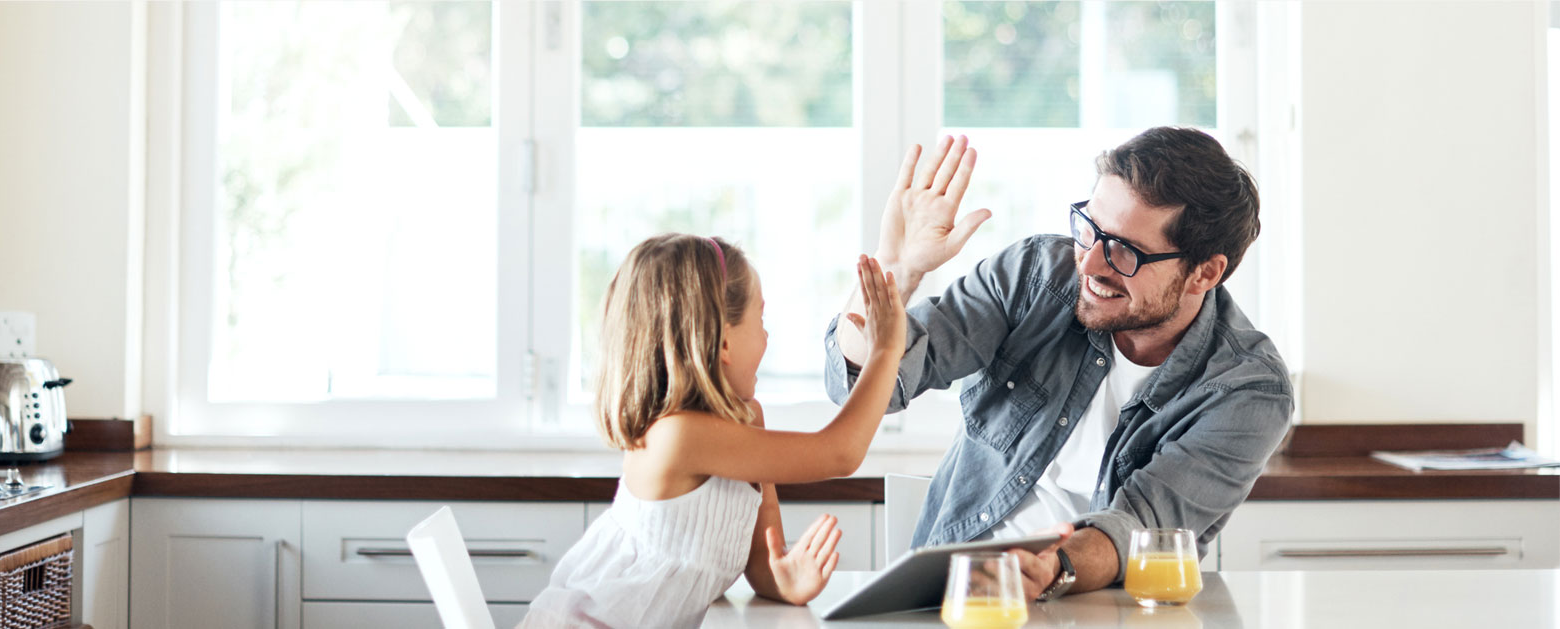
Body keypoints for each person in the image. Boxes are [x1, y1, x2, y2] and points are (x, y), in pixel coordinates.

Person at [825, 128, 1293, 601]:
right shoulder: (1035, 275)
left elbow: (1145, 525)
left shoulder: (1246, 388)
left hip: (1096, 606)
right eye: (1089, 228)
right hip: (958, 597)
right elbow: (866, 390)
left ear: (1206, 272)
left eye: (1124, 251)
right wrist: (896, 270)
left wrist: (1054, 569)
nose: (1090, 265)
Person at [519, 233, 906, 628]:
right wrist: (886, 351)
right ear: (723, 342)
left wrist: (784, 579)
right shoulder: (677, 437)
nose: (768, 337)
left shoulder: (747, 420)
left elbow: (760, 559)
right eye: (761, 320)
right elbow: (839, 453)